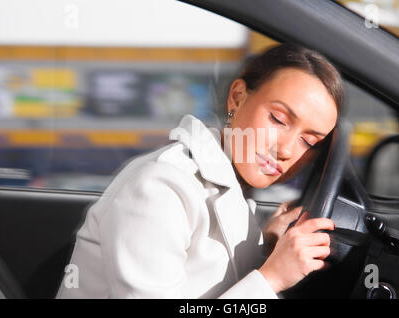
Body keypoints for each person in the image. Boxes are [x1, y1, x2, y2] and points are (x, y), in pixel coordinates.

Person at [56, 43, 343, 299]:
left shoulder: (228, 182)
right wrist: (273, 278)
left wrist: (264, 245)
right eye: (278, 119)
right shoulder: (161, 187)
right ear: (238, 97)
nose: (287, 149)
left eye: (309, 141)